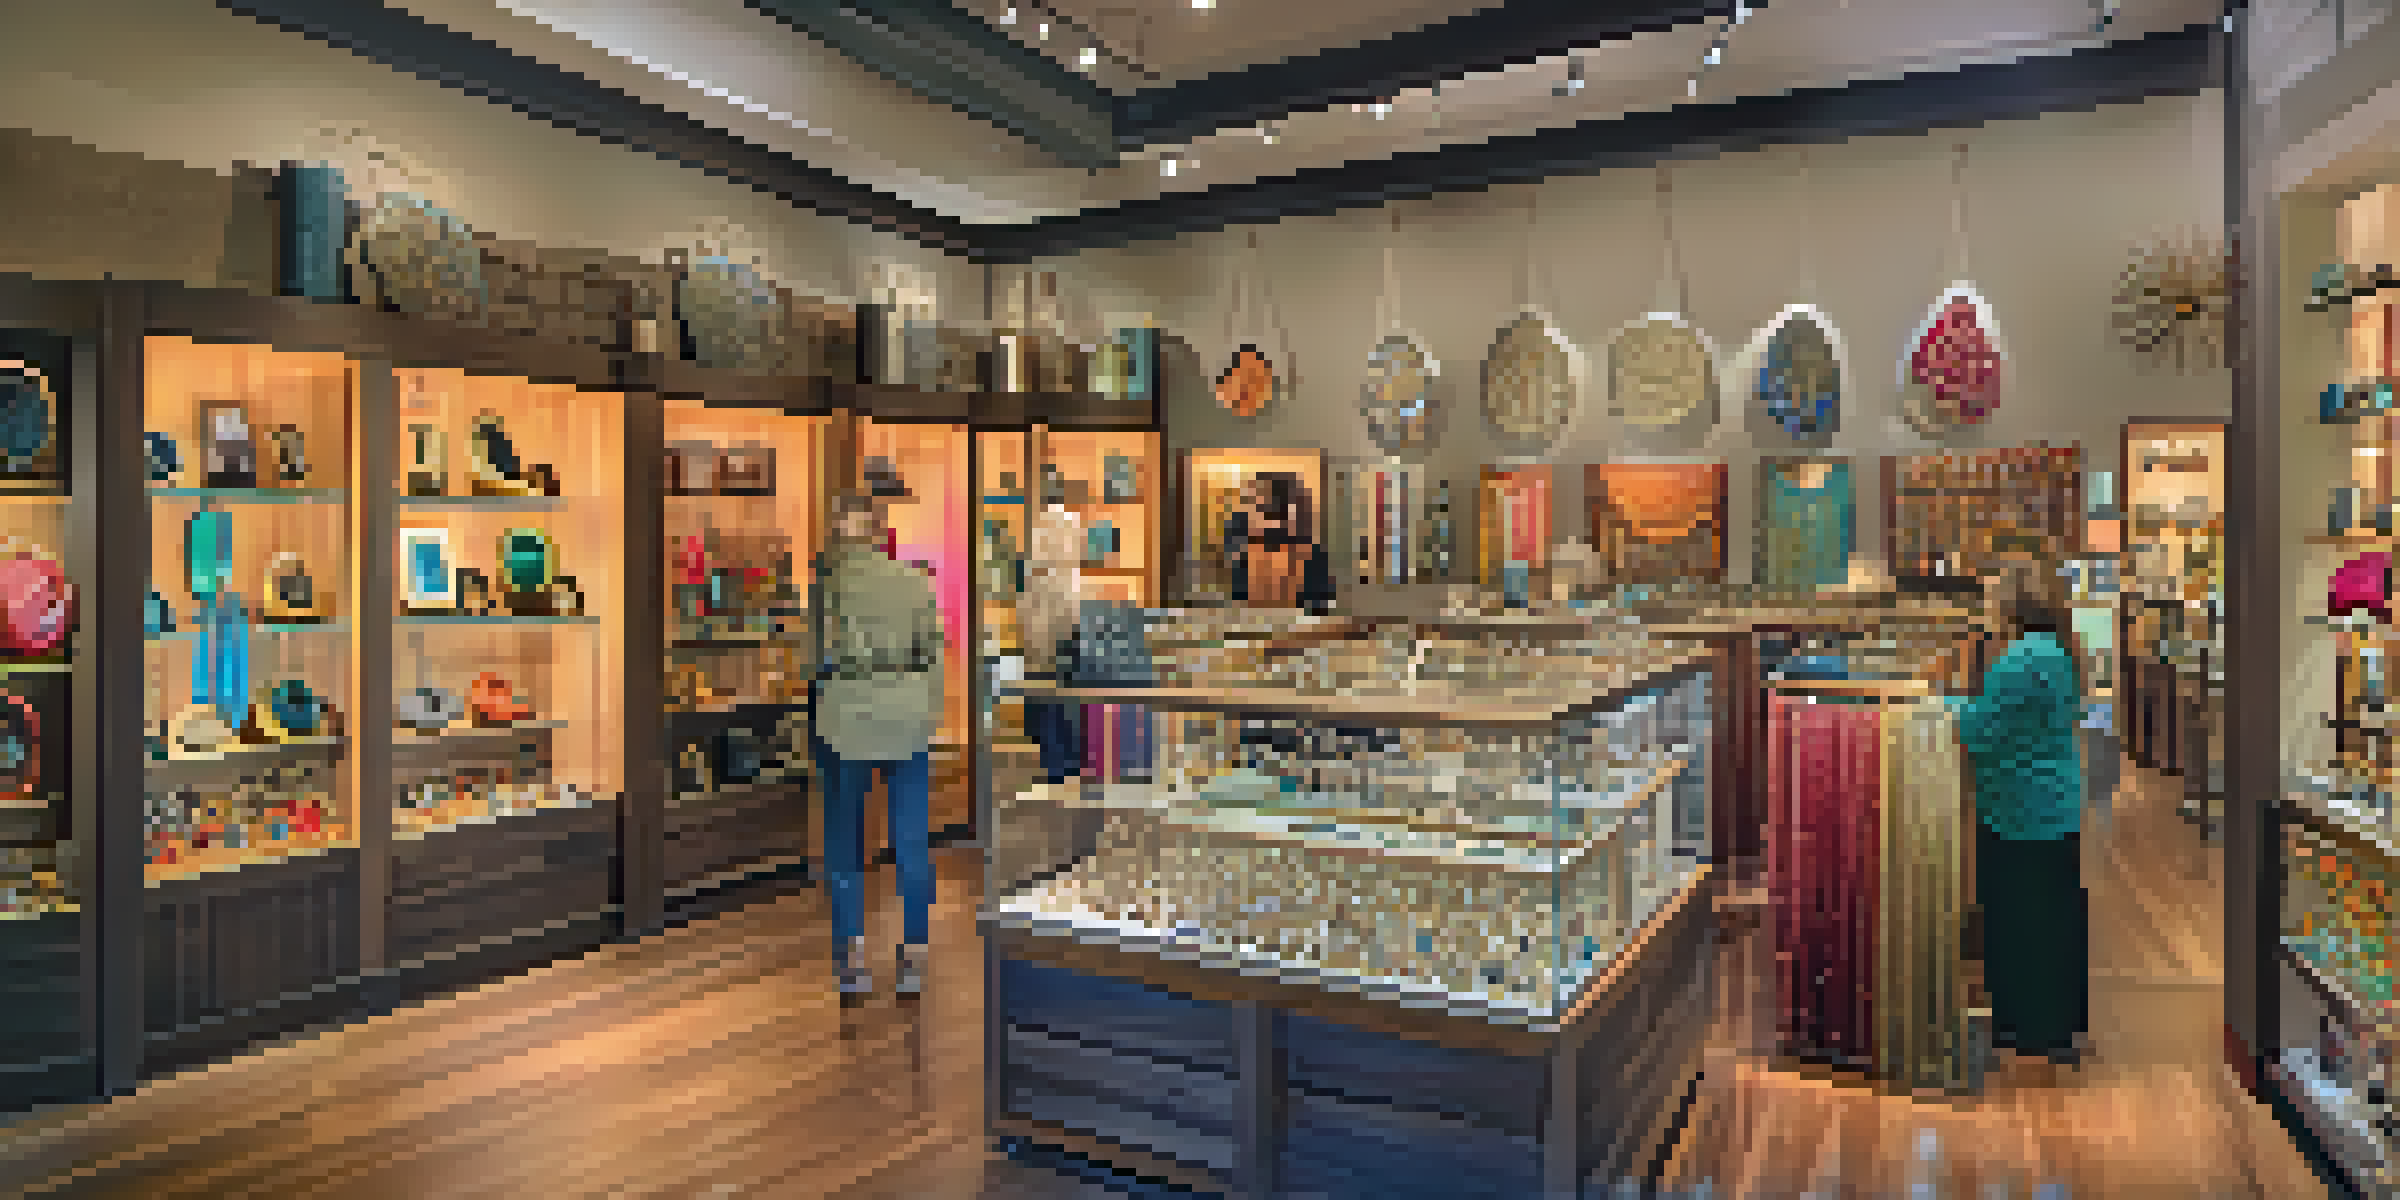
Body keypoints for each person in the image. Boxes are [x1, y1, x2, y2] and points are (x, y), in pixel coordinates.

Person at [1951, 559, 2091, 1068]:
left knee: (2019, 917)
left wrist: (1940, 707)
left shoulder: (2021, 659)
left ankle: (2028, 1026)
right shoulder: (2058, 651)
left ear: (2012, 603)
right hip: (2054, 801)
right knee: (2053, 915)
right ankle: (2054, 1025)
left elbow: (1981, 728)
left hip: (2019, 805)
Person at [812, 489, 945, 1000]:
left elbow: (813, 659)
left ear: (840, 531)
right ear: (879, 530)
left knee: (846, 846)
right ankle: (913, 956)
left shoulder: (829, 586)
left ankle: (853, 962)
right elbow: (933, 652)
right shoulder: (914, 581)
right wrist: (924, 708)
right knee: (911, 843)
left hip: (845, 720)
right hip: (908, 717)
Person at [1022, 502, 1086, 784]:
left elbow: (1025, 618)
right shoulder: (1065, 577)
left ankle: (1058, 775)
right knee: (1061, 721)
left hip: (1040, 661)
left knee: (1051, 724)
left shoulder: (1033, 575)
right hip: (1060, 661)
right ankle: (1063, 775)